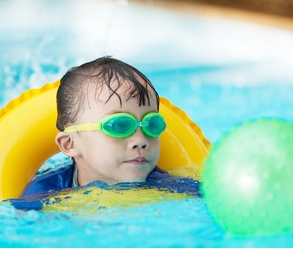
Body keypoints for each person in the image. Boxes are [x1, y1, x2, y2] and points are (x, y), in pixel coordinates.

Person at [11, 57, 199, 210]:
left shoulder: (172, 188)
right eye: (119, 125)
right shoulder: (45, 194)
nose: (141, 141)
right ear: (71, 144)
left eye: (152, 124)